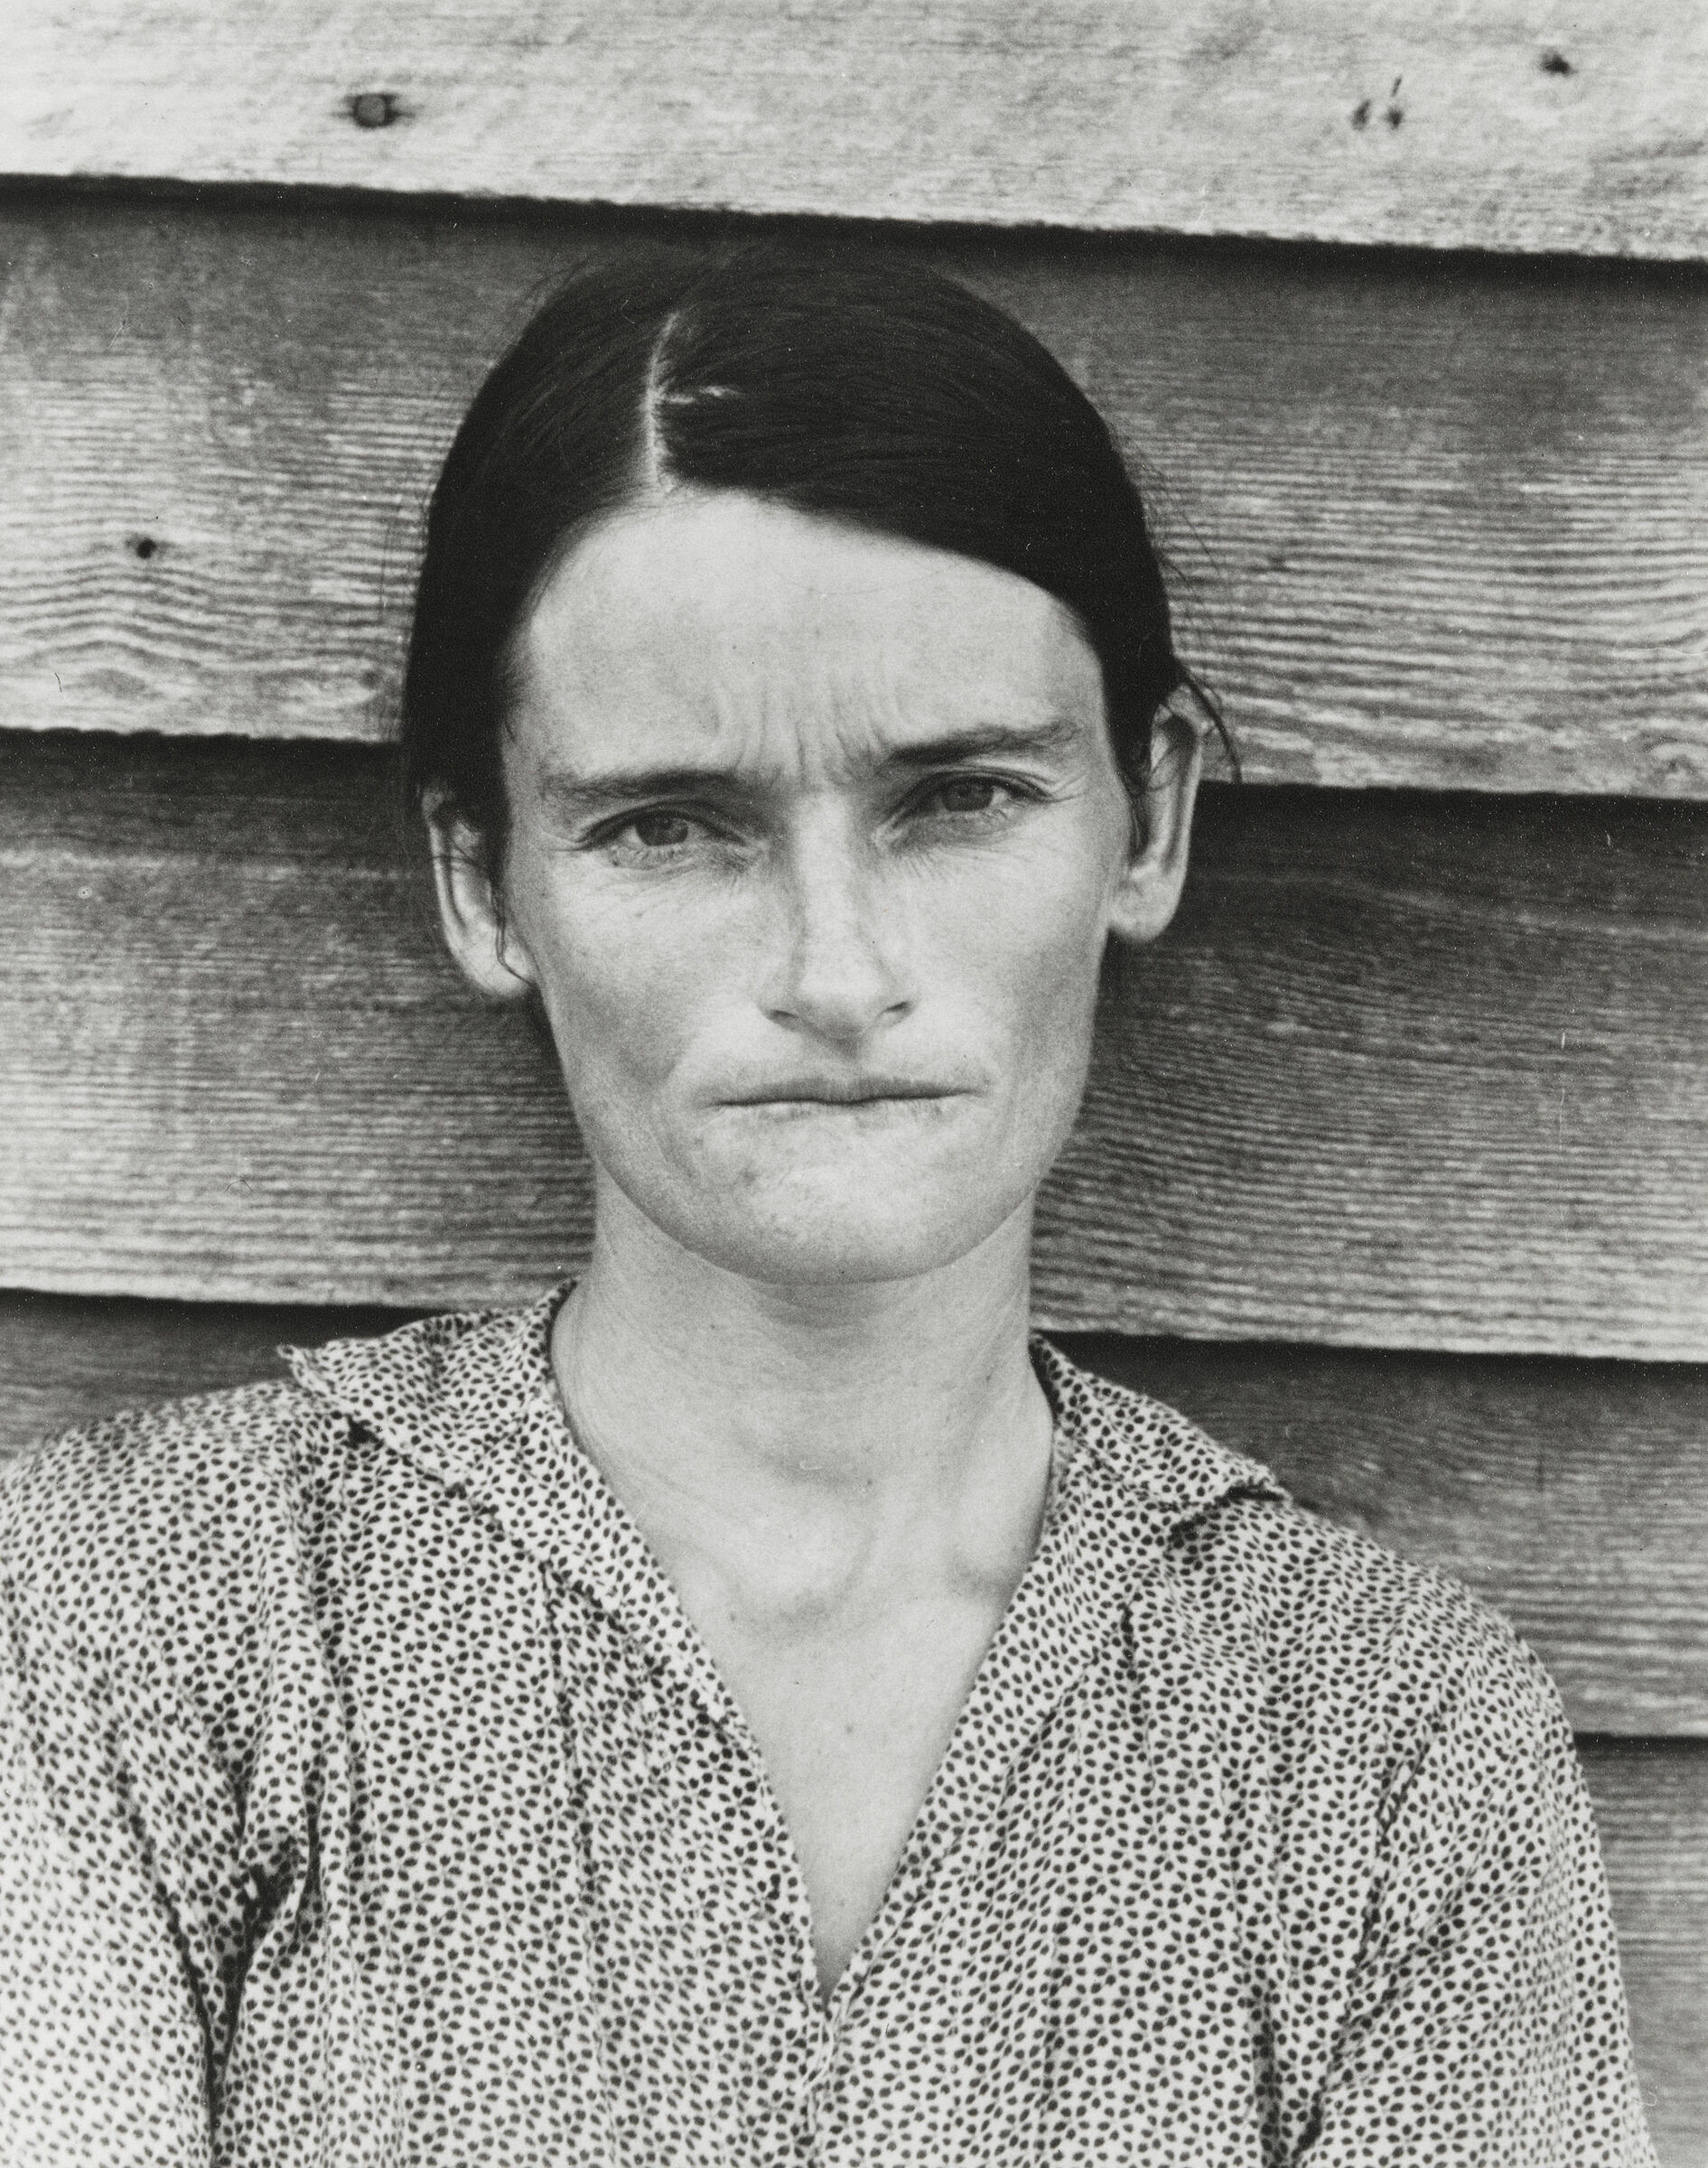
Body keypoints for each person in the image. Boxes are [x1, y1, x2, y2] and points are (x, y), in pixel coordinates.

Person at [0, 248, 1654, 2166]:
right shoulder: (129, 1618)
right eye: (669, 825)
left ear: (1151, 817)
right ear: (482, 885)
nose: (838, 969)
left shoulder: (1375, 1739)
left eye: (957, 800)